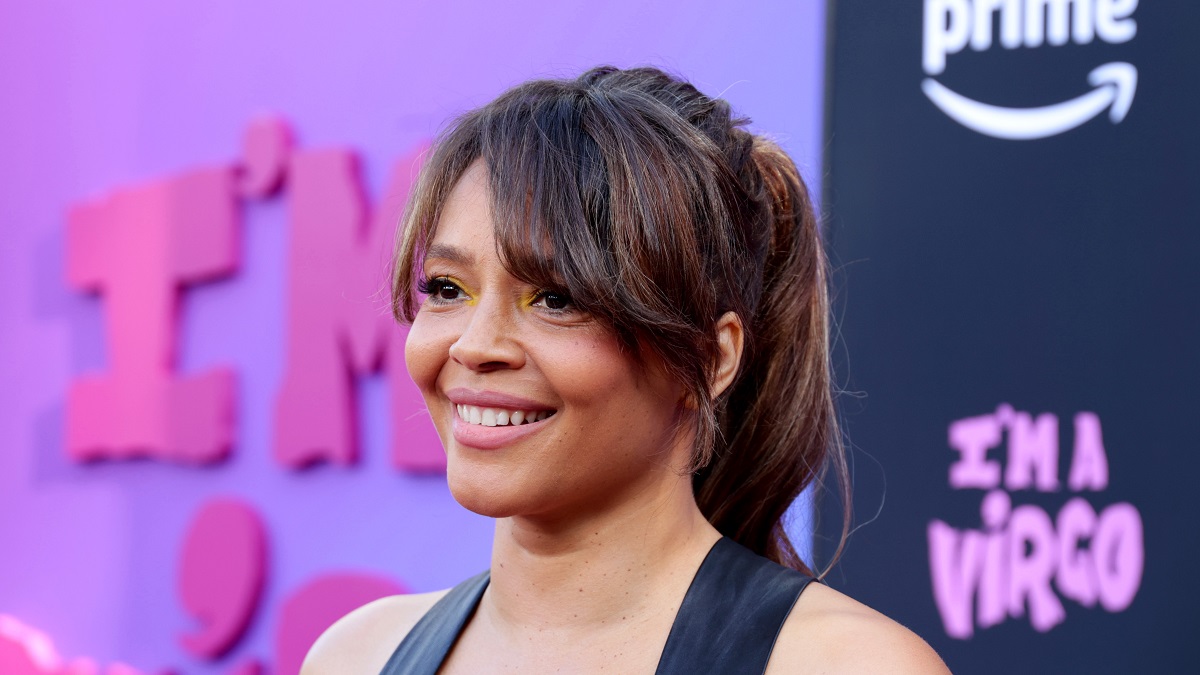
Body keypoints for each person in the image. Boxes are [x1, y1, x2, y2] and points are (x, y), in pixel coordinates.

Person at [302, 66, 948, 674]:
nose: (475, 346)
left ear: (713, 356)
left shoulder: (841, 663)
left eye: (557, 299)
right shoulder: (359, 653)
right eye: (446, 288)